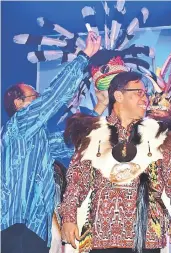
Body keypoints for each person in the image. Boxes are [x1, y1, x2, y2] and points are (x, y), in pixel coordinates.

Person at [59, 70, 171, 253]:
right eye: (138, 92)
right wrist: (68, 218)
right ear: (118, 95)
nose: (145, 99)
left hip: (146, 237)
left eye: (145, 94)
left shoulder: (158, 133)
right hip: (102, 236)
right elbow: (76, 183)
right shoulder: (93, 132)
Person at [0, 31, 101, 253]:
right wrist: (84, 57)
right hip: (13, 226)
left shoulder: (38, 139)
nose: (39, 101)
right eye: (35, 97)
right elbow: (54, 97)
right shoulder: (17, 127)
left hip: (36, 229)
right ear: (19, 103)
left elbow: (71, 142)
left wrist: (100, 108)